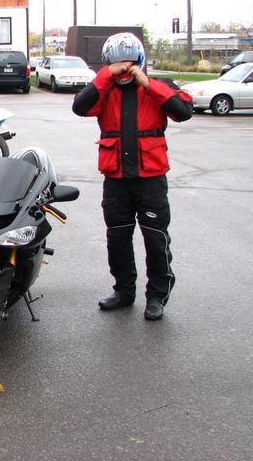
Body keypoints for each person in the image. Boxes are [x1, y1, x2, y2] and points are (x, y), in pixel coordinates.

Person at [72, 32, 193, 321]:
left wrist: (147, 83)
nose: (124, 70)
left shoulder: (159, 86)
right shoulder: (104, 89)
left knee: (155, 240)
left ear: (139, 61)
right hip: (116, 180)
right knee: (117, 239)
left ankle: (157, 296)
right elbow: (80, 107)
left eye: (128, 64)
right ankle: (124, 292)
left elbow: (183, 111)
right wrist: (106, 76)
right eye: (117, 64)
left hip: (150, 179)